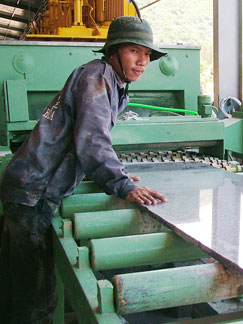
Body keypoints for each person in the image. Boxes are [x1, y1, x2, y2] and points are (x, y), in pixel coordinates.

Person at [0, 16, 167, 323]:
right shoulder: (97, 78)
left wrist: (114, 173)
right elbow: (92, 140)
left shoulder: (110, 82)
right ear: (114, 51)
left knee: (19, 287)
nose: (143, 61)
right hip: (32, 194)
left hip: (31, 186)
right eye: (134, 51)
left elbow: (81, 140)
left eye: (147, 55)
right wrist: (123, 185)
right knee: (35, 297)